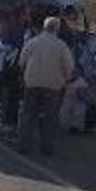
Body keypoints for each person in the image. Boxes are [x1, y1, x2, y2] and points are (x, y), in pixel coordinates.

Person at [17, 16, 74, 155]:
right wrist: (67, 79)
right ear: (57, 29)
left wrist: (24, 74)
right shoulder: (61, 46)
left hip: (32, 82)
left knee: (28, 114)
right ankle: (46, 146)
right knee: (50, 117)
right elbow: (68, 65)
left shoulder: (33, 42)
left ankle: (24, 144)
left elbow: (22, 60)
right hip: (53, 85)